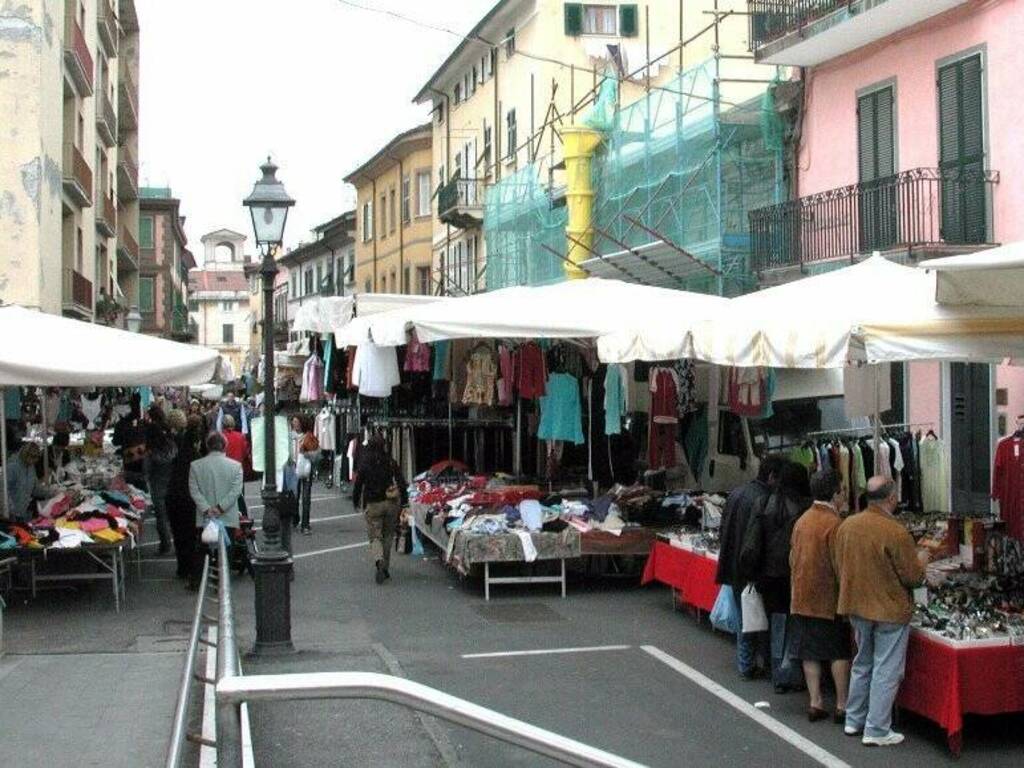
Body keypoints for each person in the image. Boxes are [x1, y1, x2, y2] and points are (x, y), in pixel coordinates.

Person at [834, 476, 928, 747]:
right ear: (891, 498)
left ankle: (854, 720)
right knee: (886, 668)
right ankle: (876, 729)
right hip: (888, 609)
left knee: (862, 663)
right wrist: (922, 561)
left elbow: (838, 564)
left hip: (855, 604)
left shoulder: (848, 525)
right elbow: (912, 576)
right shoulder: (895, 532)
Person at [740, 459, 810, 693]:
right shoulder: (805, 508)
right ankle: (793, 670)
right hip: (796, 574)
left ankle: (777, 671)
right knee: (796, 624)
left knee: (774, 624)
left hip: (767, 575)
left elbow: (751, 544)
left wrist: (750, 572)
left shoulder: (764, 503)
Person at [789, 469, 851, 723]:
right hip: (829, 599)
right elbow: (841, 564)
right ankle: (842, 703)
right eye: (843, 490)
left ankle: (815, 701)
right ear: (835, 493)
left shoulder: (802, 520)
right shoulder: (835, 524)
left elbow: (792, 558)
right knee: (838, 651)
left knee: (810, 652)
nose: (844, 494)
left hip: (802, 595)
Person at [715, 454, 783, 679]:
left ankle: (746, 663)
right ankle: (754, 663)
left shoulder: (736, 493)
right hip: (754, 567)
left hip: (734, 564)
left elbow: (724, 528)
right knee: (757, 618)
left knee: (746, 617)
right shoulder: (765, 499)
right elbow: (758, 540)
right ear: (772, 476)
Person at [187, 432, 244, 589]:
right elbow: (236, 491)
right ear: (225, 446)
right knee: (227, 550)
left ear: (207, 446)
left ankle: (197, 581)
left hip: (205, 516)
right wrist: (220, 507)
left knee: (202, 549)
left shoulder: (195, 466)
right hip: (227, 516)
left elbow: (194, 490)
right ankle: (222, 581)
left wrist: (206, 509)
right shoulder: (236, 466)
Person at [352, 434, 408, 584]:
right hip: (391, 503)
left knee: (375, 536)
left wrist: (356, 501)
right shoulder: (390, 461)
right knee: (388, 535)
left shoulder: (365, 463)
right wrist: (405, 503)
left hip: (373, 503)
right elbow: (401, 482)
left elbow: (358, 484)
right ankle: (386, 567)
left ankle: (379, 560)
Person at [166, 410, 201, 581]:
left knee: (179, 534)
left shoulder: (171, 446)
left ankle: (182, 567)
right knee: (190, 534)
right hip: (190, 497)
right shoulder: (194, 454)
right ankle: (190, 568)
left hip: (174, 495)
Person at [144, 404, 177, 554]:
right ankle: (175, 543)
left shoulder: (152, 451)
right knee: (173, 516)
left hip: (157, 482)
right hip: (172, 481)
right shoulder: (172, 444)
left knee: (161, 515)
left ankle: (165, 544)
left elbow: (146, 469)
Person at [291, 415, 319, 535]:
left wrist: (307, 454)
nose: (295, 424)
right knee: (294, 497)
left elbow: (317, 455)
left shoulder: (309, 436)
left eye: (297, 422)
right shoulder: (290, 436)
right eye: (293, 422)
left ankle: (305, 524)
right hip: (293, 468)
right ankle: (295, 518)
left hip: (306, 469)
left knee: (306, 497)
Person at [4, 443, 47, 522]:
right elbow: (4, 490)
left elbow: (35, 489)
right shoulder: (12, 467)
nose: (35, 460)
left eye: (37, 458)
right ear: (25, 454)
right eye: (33, 457)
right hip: (11, 514)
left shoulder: (31, 467)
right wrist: (10, 511)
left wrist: (53, 493)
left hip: (23, 512)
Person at [221, 415, 249, 516]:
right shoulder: (240, 436)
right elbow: (245, 453)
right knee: (240, 496)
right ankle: (243, 518)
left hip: (224, 471)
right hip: (238, 469)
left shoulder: (220, 437)